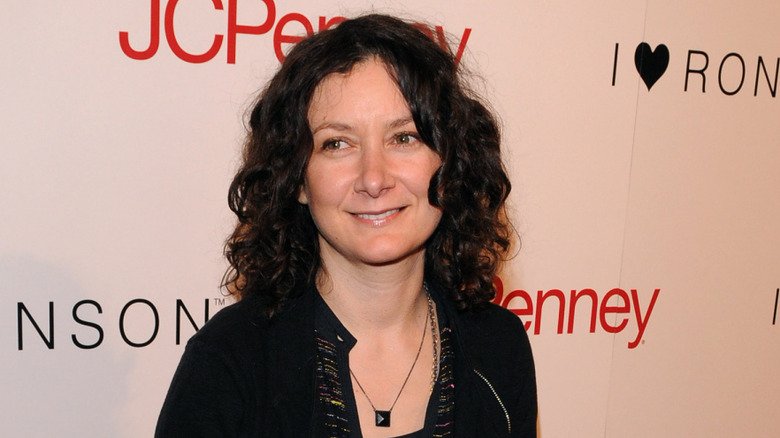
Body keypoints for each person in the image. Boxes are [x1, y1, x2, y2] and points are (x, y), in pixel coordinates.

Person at [155, 13, 536, 438]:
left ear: (451, 162)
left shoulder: (500, 348)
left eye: (404, 138)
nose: (374, 178)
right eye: (337, 144)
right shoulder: (229, 363)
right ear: (297, 178)